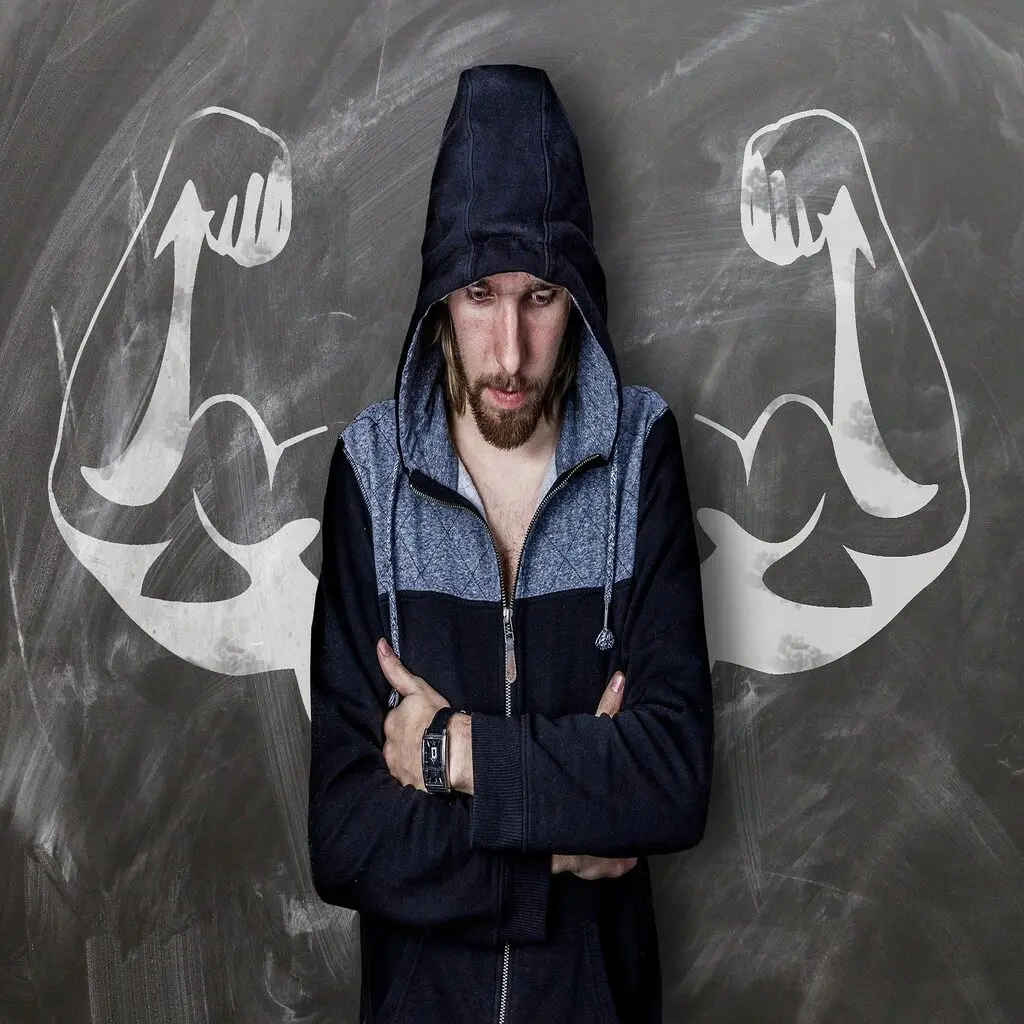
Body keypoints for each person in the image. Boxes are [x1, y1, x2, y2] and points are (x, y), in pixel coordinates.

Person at [308, 63, 714, 1024]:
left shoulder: (641, 455)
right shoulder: (370, 472)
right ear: (439, 295)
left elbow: (672, 780)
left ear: (578, 296)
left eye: (539, 297)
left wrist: (453, 755)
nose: (507, 352)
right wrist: (556, 852)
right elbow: (347, 836)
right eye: (479, 294)